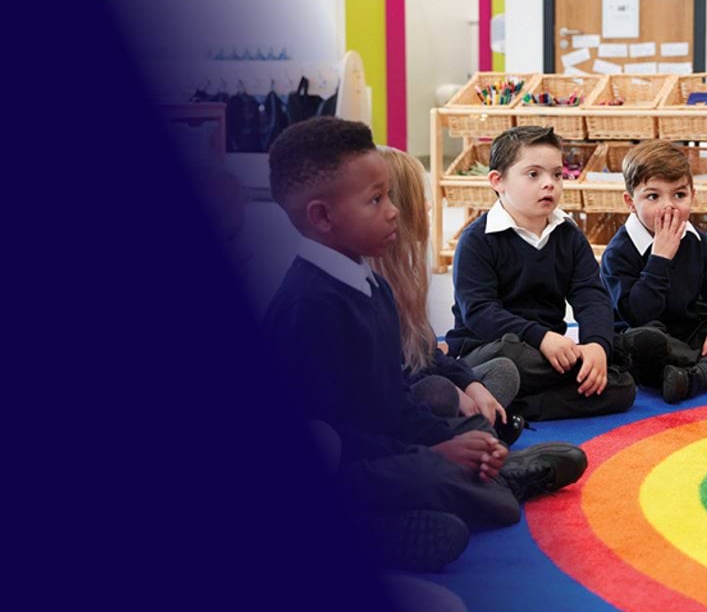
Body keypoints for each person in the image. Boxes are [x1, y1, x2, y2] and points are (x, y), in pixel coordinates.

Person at [262, 117, 587, 570]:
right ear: (322, 217)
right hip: (339, 463)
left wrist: (447, 440)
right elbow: (335, 436)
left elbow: (393, 400)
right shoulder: (309, 308)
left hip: (383, 445)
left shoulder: (371, 287)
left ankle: (471, 483)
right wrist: (432, 455)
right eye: (376, 200)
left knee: (467, 449)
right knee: (449, 494)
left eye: (390, 196)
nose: (393, 211)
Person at [445, 126, 636, 419]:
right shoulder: (477, 240)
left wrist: (596, 346)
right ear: (498, 181)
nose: (549, 184)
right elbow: (480, 312)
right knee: (510, 358)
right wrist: (541, 337)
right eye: (533, 174)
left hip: (548, 355)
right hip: (489, 349)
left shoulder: (569, 235)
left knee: (621, 387)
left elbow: (591, 296)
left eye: (557, 174)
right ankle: (494, 390)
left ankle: (514, 406)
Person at [600, 140, 707, 404]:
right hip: (644, 334)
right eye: (653, 197)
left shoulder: (696, 240)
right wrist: (660, 257)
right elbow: (638, 315)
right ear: (631, 202)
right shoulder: (618, 252)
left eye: (679, 195)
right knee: (646, 341)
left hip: (688, 332)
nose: (668, 207)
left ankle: (695, 377)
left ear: (693, 195)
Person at [367, 147, 523, 440]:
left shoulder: (402, 275)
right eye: (419, 198)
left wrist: (471, 386)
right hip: (394, 403)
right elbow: (390, 376)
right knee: (439, 391)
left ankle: (474, 431)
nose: (428, 206)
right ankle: (475, 436)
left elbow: (426, 353)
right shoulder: (368, 285)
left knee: (502, 370)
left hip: (422, 379)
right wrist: (455, 388)